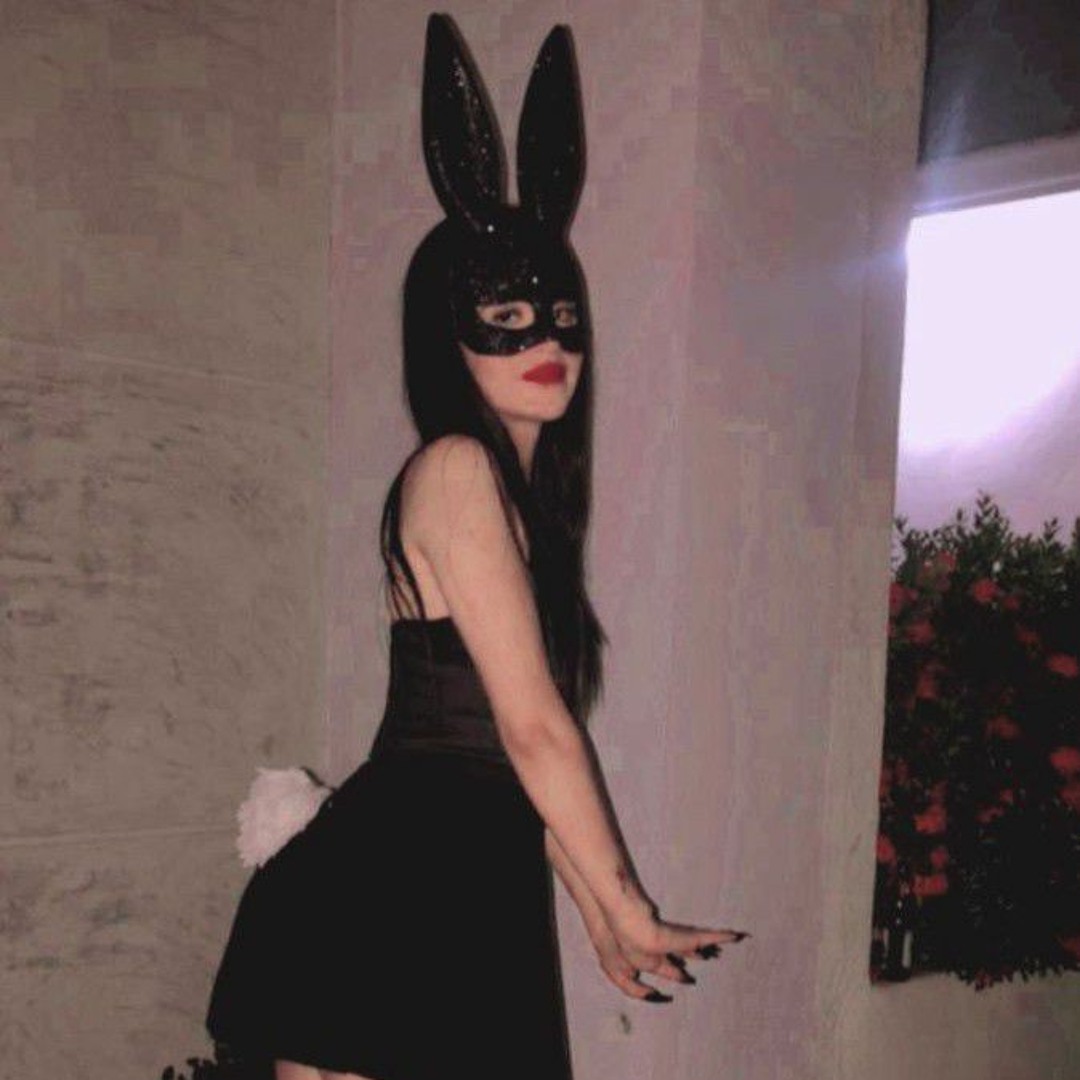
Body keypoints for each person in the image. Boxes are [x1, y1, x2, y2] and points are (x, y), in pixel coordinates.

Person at [197, 14, 747, 1080]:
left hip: (459, 895)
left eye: (561, 313)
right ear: (446, 334)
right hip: (384, 903)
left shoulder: (522, 506)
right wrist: (627, 905)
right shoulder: (456, 468)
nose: (547, 339)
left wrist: (601, 919)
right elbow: (536, 735)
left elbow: (516, 763)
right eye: (507, 314)